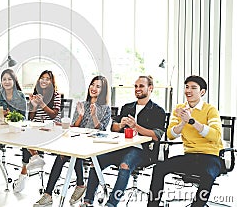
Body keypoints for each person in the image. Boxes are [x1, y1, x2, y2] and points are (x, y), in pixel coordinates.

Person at [81, 75, 166, 207]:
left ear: (150, 88)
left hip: (142, 151)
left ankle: (111, 204)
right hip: (121, 147)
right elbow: (113, 128)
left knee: (125, 165)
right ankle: (87, 201)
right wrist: (120, 125)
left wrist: (136, 127)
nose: (137, 89)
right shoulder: (127, 107)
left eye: (141, 86)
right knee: (96, 161)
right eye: (136, 86)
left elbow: (157, 135)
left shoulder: (158, 111)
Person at [34, 75, 112, 206]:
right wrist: (80, 116)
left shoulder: (106, 108)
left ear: (103, 90)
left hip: (93, 146)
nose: (93, 88)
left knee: (73, 153)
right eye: (92, 85)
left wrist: (94, 116)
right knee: (62, 155)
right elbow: (75, 127)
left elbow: (102, 130)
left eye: (98, 86)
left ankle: (79, 184)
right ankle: (48, 194)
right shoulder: (83, 104)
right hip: (78, 142)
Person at [147, 75, 224, 207]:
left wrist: (192, 121)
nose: (188, 90)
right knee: (159, 168)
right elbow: (170, 135)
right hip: (190, 155)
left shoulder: (210, 110)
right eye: (187, 87)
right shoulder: (180, 109)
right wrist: (182, 123)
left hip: (211, 156)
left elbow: (215, 135)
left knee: (207, 175)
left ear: (202, 92)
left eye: (193, 88)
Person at [13, 70, 62, 193]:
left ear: (51, 82)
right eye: (42, 78)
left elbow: (53, 115)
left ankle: (23, 174)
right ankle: (35, 156)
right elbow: (31, 117)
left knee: (28, 138)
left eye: (47, 79)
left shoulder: (56, 95)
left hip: (52, 127)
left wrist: (42, 103)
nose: (44, 81)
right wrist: (34, 105)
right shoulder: (36, 94)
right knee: (25, 133)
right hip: (37, 127)